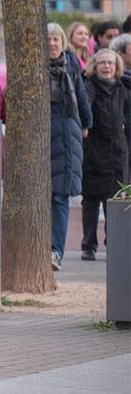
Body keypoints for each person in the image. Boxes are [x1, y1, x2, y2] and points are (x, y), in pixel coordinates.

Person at [46, 23, 93, 271]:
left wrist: (86, 123)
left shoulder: (71, 65)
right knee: (41, 199)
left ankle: (56, 251)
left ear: (63, 42)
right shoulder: (34, 67)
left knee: (59, 197)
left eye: (56, 39)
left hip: (66, 134)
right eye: (48, 39)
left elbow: (82, 97)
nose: (52, 44)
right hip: (43, 136)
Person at [80, 49, 129, 261]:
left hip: (118, 152)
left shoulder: (123, 89)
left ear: (116, 66)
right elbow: (85, 114)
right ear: (95, 66)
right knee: (91, 201)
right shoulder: (89, 88)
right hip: (93, 152)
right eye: (102, 63)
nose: (106, 67)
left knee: (116, 200)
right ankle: (88, 244)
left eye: (110, 63)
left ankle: (114, 242)